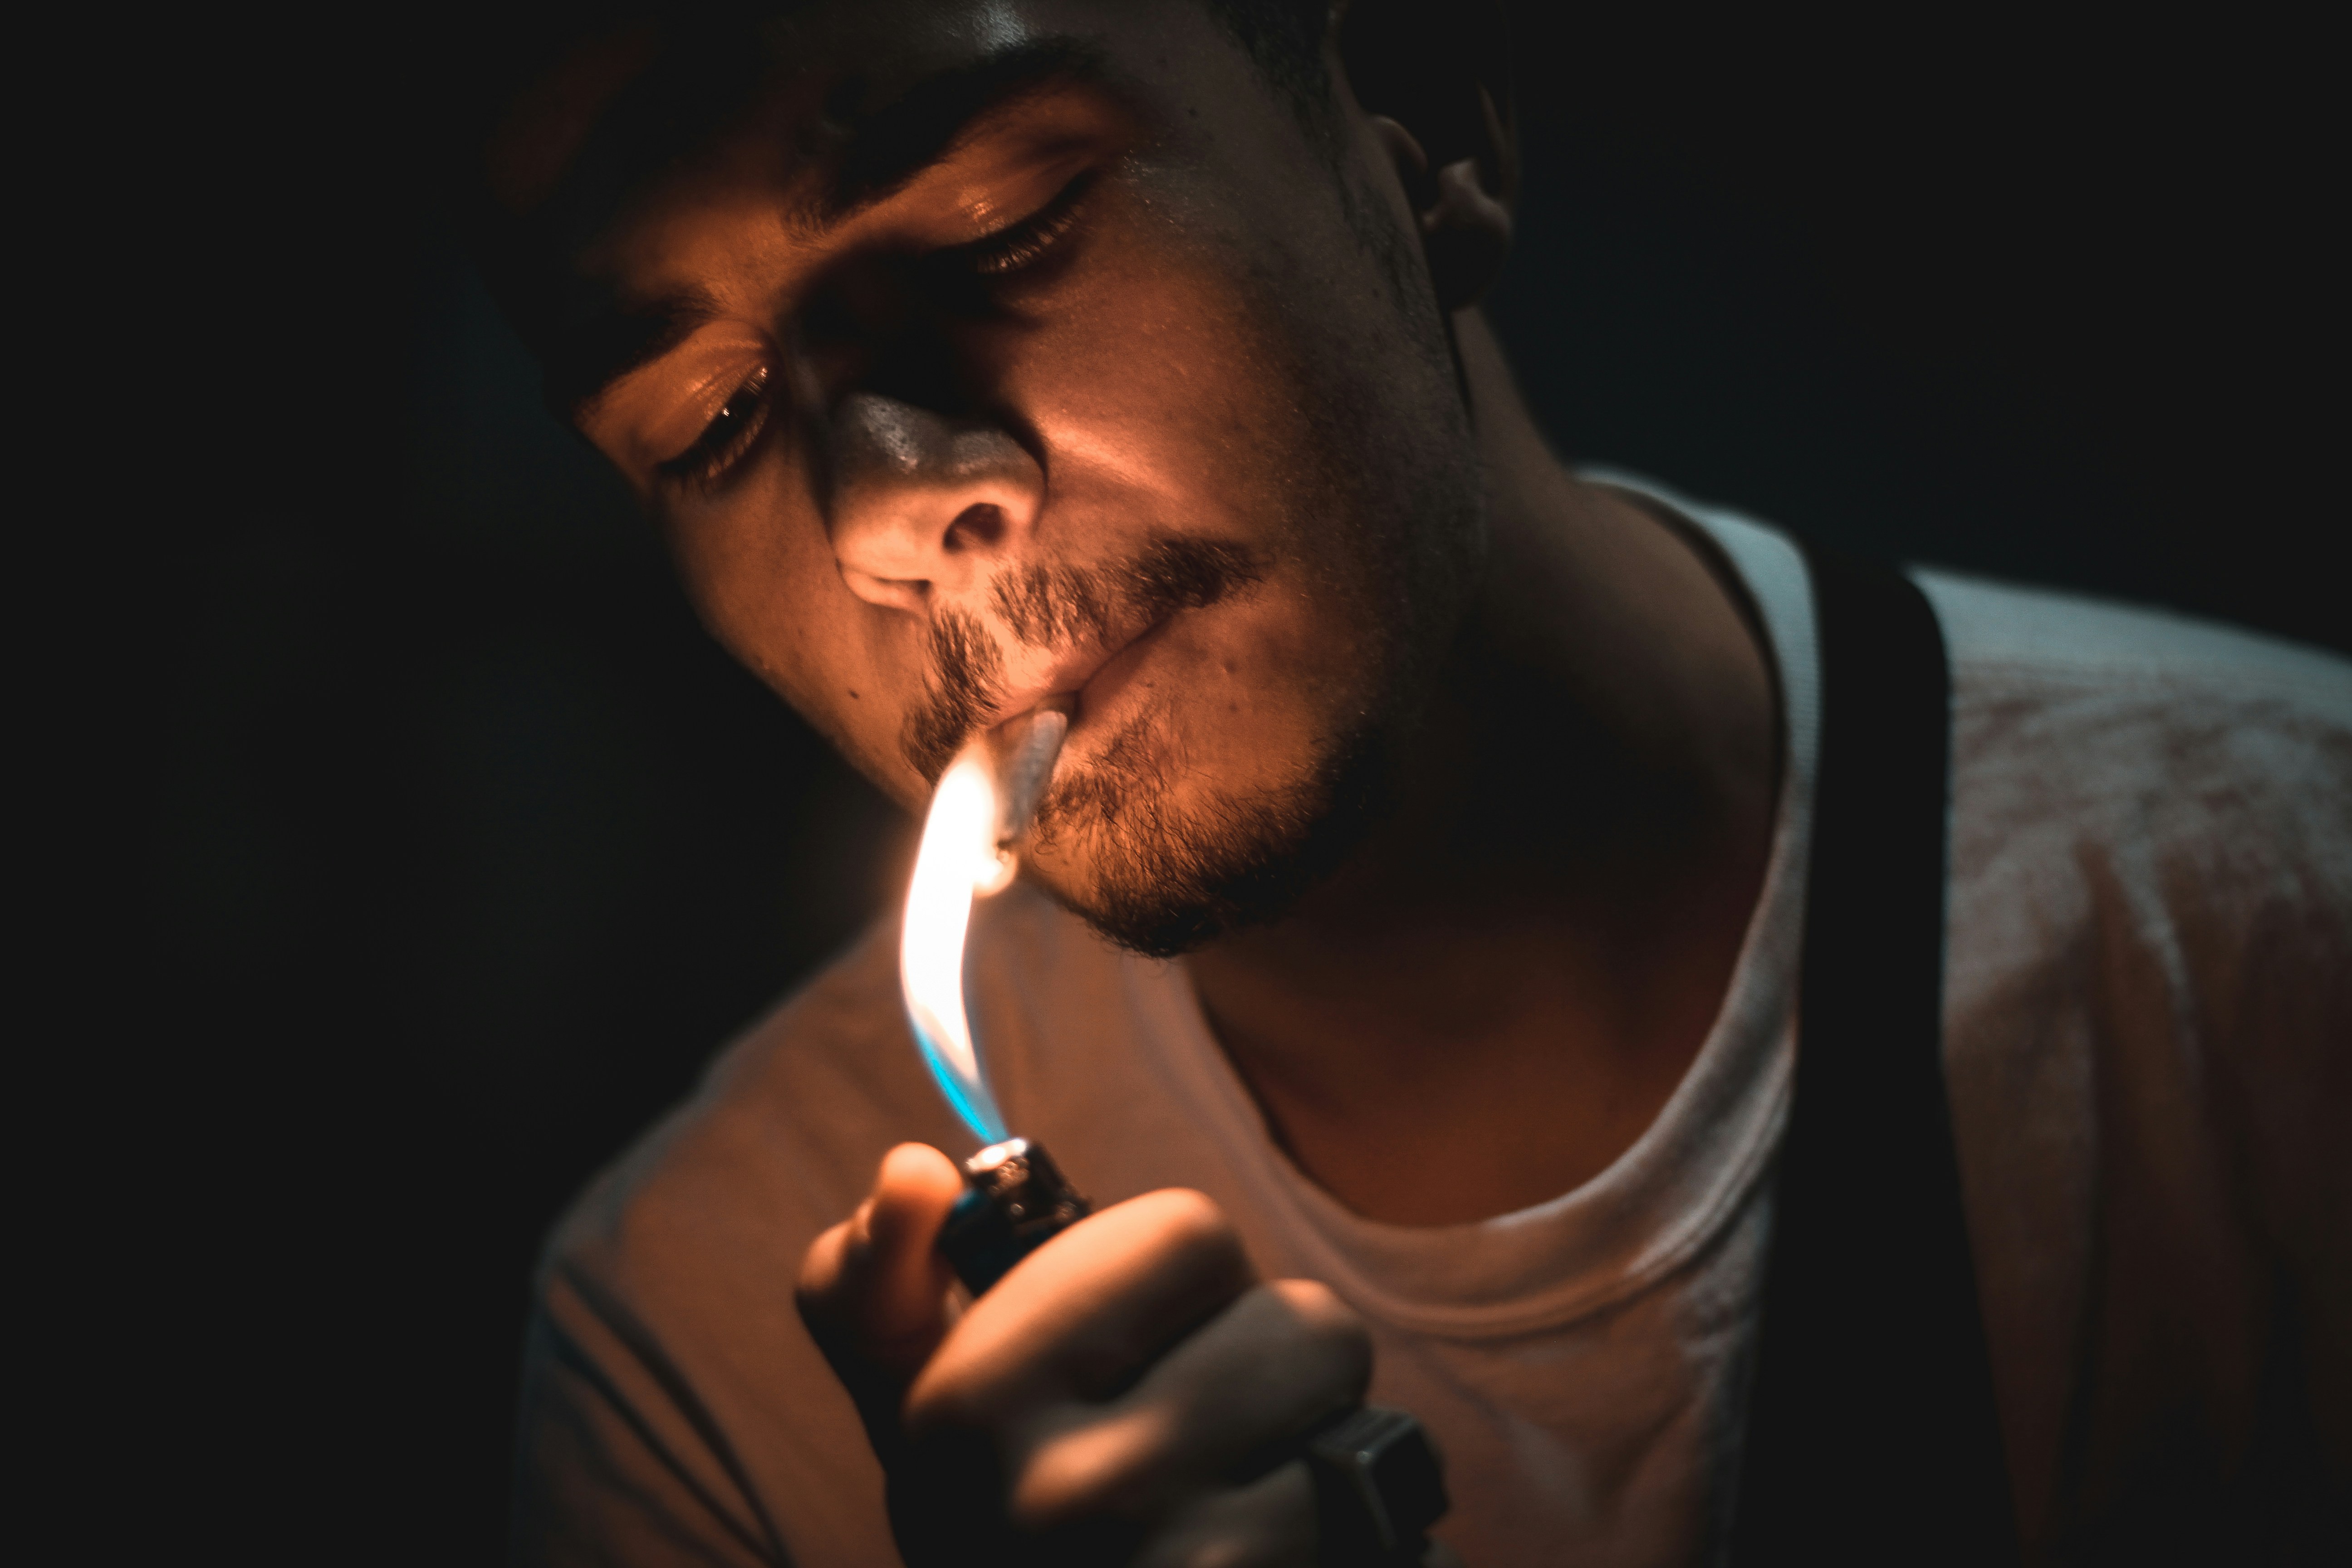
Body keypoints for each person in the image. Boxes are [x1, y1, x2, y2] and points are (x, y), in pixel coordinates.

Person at [469, 1, 2352, 1562]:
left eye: (1000, 230)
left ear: (1424, 120)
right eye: (709, 428)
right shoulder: (704, 1372)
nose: (884, 505)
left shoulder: (2285, 935)